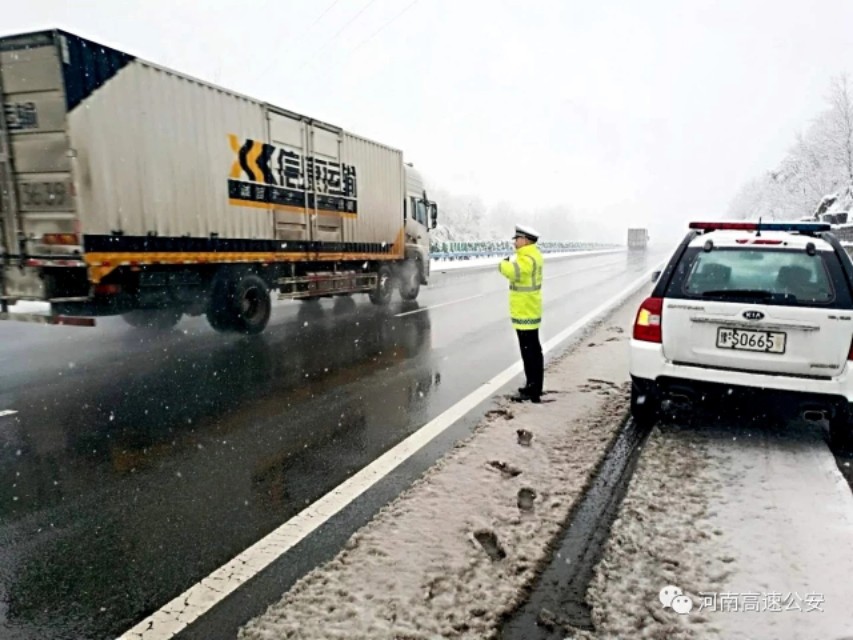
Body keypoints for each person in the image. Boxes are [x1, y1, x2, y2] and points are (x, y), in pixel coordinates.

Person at [498, 224, 544, 403]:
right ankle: (533, 385)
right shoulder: (530, 255)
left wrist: (502, 264)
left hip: (526, 311)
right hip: (528, 309)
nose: (515, 242)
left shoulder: (528, 258)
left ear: (525, 240)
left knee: (530, 351)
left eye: (517, 239)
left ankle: (533, 389)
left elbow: (513, 272)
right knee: (531, 350)